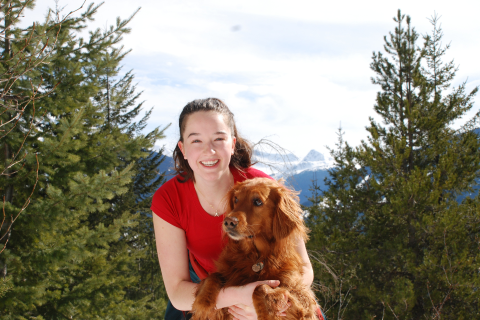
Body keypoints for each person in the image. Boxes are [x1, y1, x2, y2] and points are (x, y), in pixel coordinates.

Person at [151, 98, 314, 320]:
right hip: (212, 292)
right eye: (196, 140)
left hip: (275, 295)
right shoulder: (169, 199)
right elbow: (178, 293)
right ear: (183, 149)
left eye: (218, 139)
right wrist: (240, 298)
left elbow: (304, 268)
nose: (209, 150)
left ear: (232, 144)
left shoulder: (263, 188)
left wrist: (272, 306)